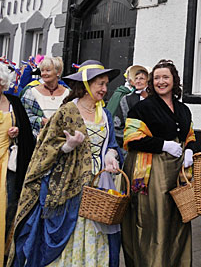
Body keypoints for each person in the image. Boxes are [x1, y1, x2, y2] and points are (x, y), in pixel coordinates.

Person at [10, 60, 122, 267]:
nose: (105, 89)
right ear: (87, 84)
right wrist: (67, 147)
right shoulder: (67, 111)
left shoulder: (105, 114)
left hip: (99, 186)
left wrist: (111, 155)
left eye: (106, 84)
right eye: (100, 83)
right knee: (70, 234)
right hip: (69, 185)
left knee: (100, 235)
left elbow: (112, 144)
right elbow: (44, 150)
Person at [121, 59, 197, 267]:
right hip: (151, 171)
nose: (161, 81)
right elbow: (131, 138)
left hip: (177, 171)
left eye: (166, 77)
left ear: (174, 80)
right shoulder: (142, 108)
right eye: (157, 78)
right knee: (155, 221)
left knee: (178, 219)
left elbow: (189, 134)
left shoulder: (183, 109)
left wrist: (190, 149)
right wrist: (162, 145)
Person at [0, 63, 36, 260]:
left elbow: (27, 132)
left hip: (10, 163)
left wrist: (18, 132)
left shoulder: (14, 102)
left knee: (9, 204)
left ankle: (4, 251)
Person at [21, 56, 70, 138]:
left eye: (48, 70)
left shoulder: (68, 93)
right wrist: (41, 121)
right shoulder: (30, 92)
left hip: (62, 141)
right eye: (42, 70)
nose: (44, 73)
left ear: (58, 72)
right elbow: (22, 116)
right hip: (36, 141)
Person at [113, 65, 149, 150]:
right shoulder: (126, 99)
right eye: (136, 78)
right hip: (130, 145)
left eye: (142, 79)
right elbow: (118, 123)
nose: (138, 81)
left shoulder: (154, 100)